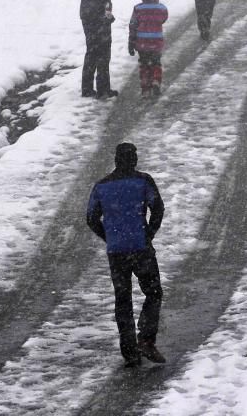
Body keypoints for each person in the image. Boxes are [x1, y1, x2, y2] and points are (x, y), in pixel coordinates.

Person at [86, 142, 167, 367]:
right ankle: (146, 339)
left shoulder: (101, 186)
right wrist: (148, 232)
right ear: (134, 159)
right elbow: (158, 208)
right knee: (153, 292)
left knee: (123, 300)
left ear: (115, 160)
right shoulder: (143, 181)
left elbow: (91, 218)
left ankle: (130, 352)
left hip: (116, 252)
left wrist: (109, 237)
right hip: (141, 248)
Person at [80, 0, 124, 99]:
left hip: (86, 13)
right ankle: (103, 89)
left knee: (91, 50)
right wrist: (106, 13)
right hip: (98, 15)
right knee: (104, 52)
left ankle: (86, 88)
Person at [128, 0, 169, 97]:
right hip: (156, 43)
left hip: (142, 43)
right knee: (156, 63)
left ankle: (145, 89)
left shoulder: (138, 8)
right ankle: (156, 80)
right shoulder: (162, 9)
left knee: (144, 64)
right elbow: (163, 19)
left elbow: (132, 25)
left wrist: (131, 42)